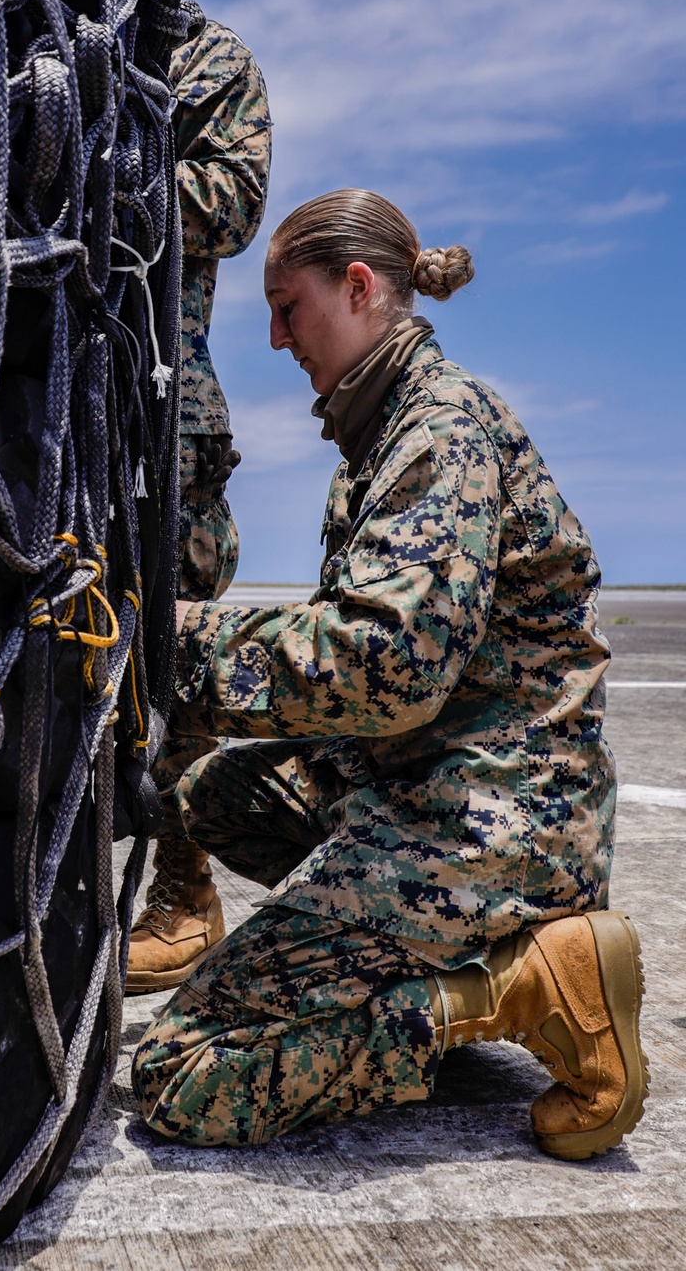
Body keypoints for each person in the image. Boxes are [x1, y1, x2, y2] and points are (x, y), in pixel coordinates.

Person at [131, 188, 648, 1160]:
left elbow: (382, 665)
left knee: (183, 1076)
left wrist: (175, 644)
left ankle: (512, 987)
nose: (278, 339)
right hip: (432, 775)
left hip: (499, 814)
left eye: (289, 307)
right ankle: (442, 950)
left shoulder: (437, 432)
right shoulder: (382, 431)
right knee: (212, 797)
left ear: (358, 287)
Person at [126, 19, 271, 994]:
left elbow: (231, 202)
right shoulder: (4, 19)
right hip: (5, 390)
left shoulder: (200, 53)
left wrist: (95, 162)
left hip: (153, 398)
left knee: (167, 655)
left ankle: (184, 893)